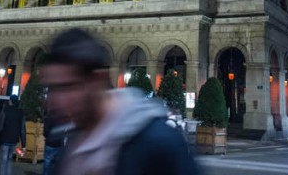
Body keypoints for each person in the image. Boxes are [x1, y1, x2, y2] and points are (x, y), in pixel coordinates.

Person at [43, 28, 199, 175]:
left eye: (68, 87)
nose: (57, 102)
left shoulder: (160, 146)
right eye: (52, 88)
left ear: (98, 79)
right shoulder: (70, 148)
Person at [0, 95, 26, 175]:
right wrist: (23, 144)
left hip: (4, 139)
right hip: (14, 141)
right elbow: (22, 129)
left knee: (2, 161)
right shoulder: (20, 113)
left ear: (10, 101)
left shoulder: (5, 111)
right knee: (9, 160)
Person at [42, 104, 72, 175]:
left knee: (47, 161)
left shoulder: (48, 117)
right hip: (59, 143)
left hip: (50, 143)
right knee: (55, 163)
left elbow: (45, 131)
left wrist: (48, 136)